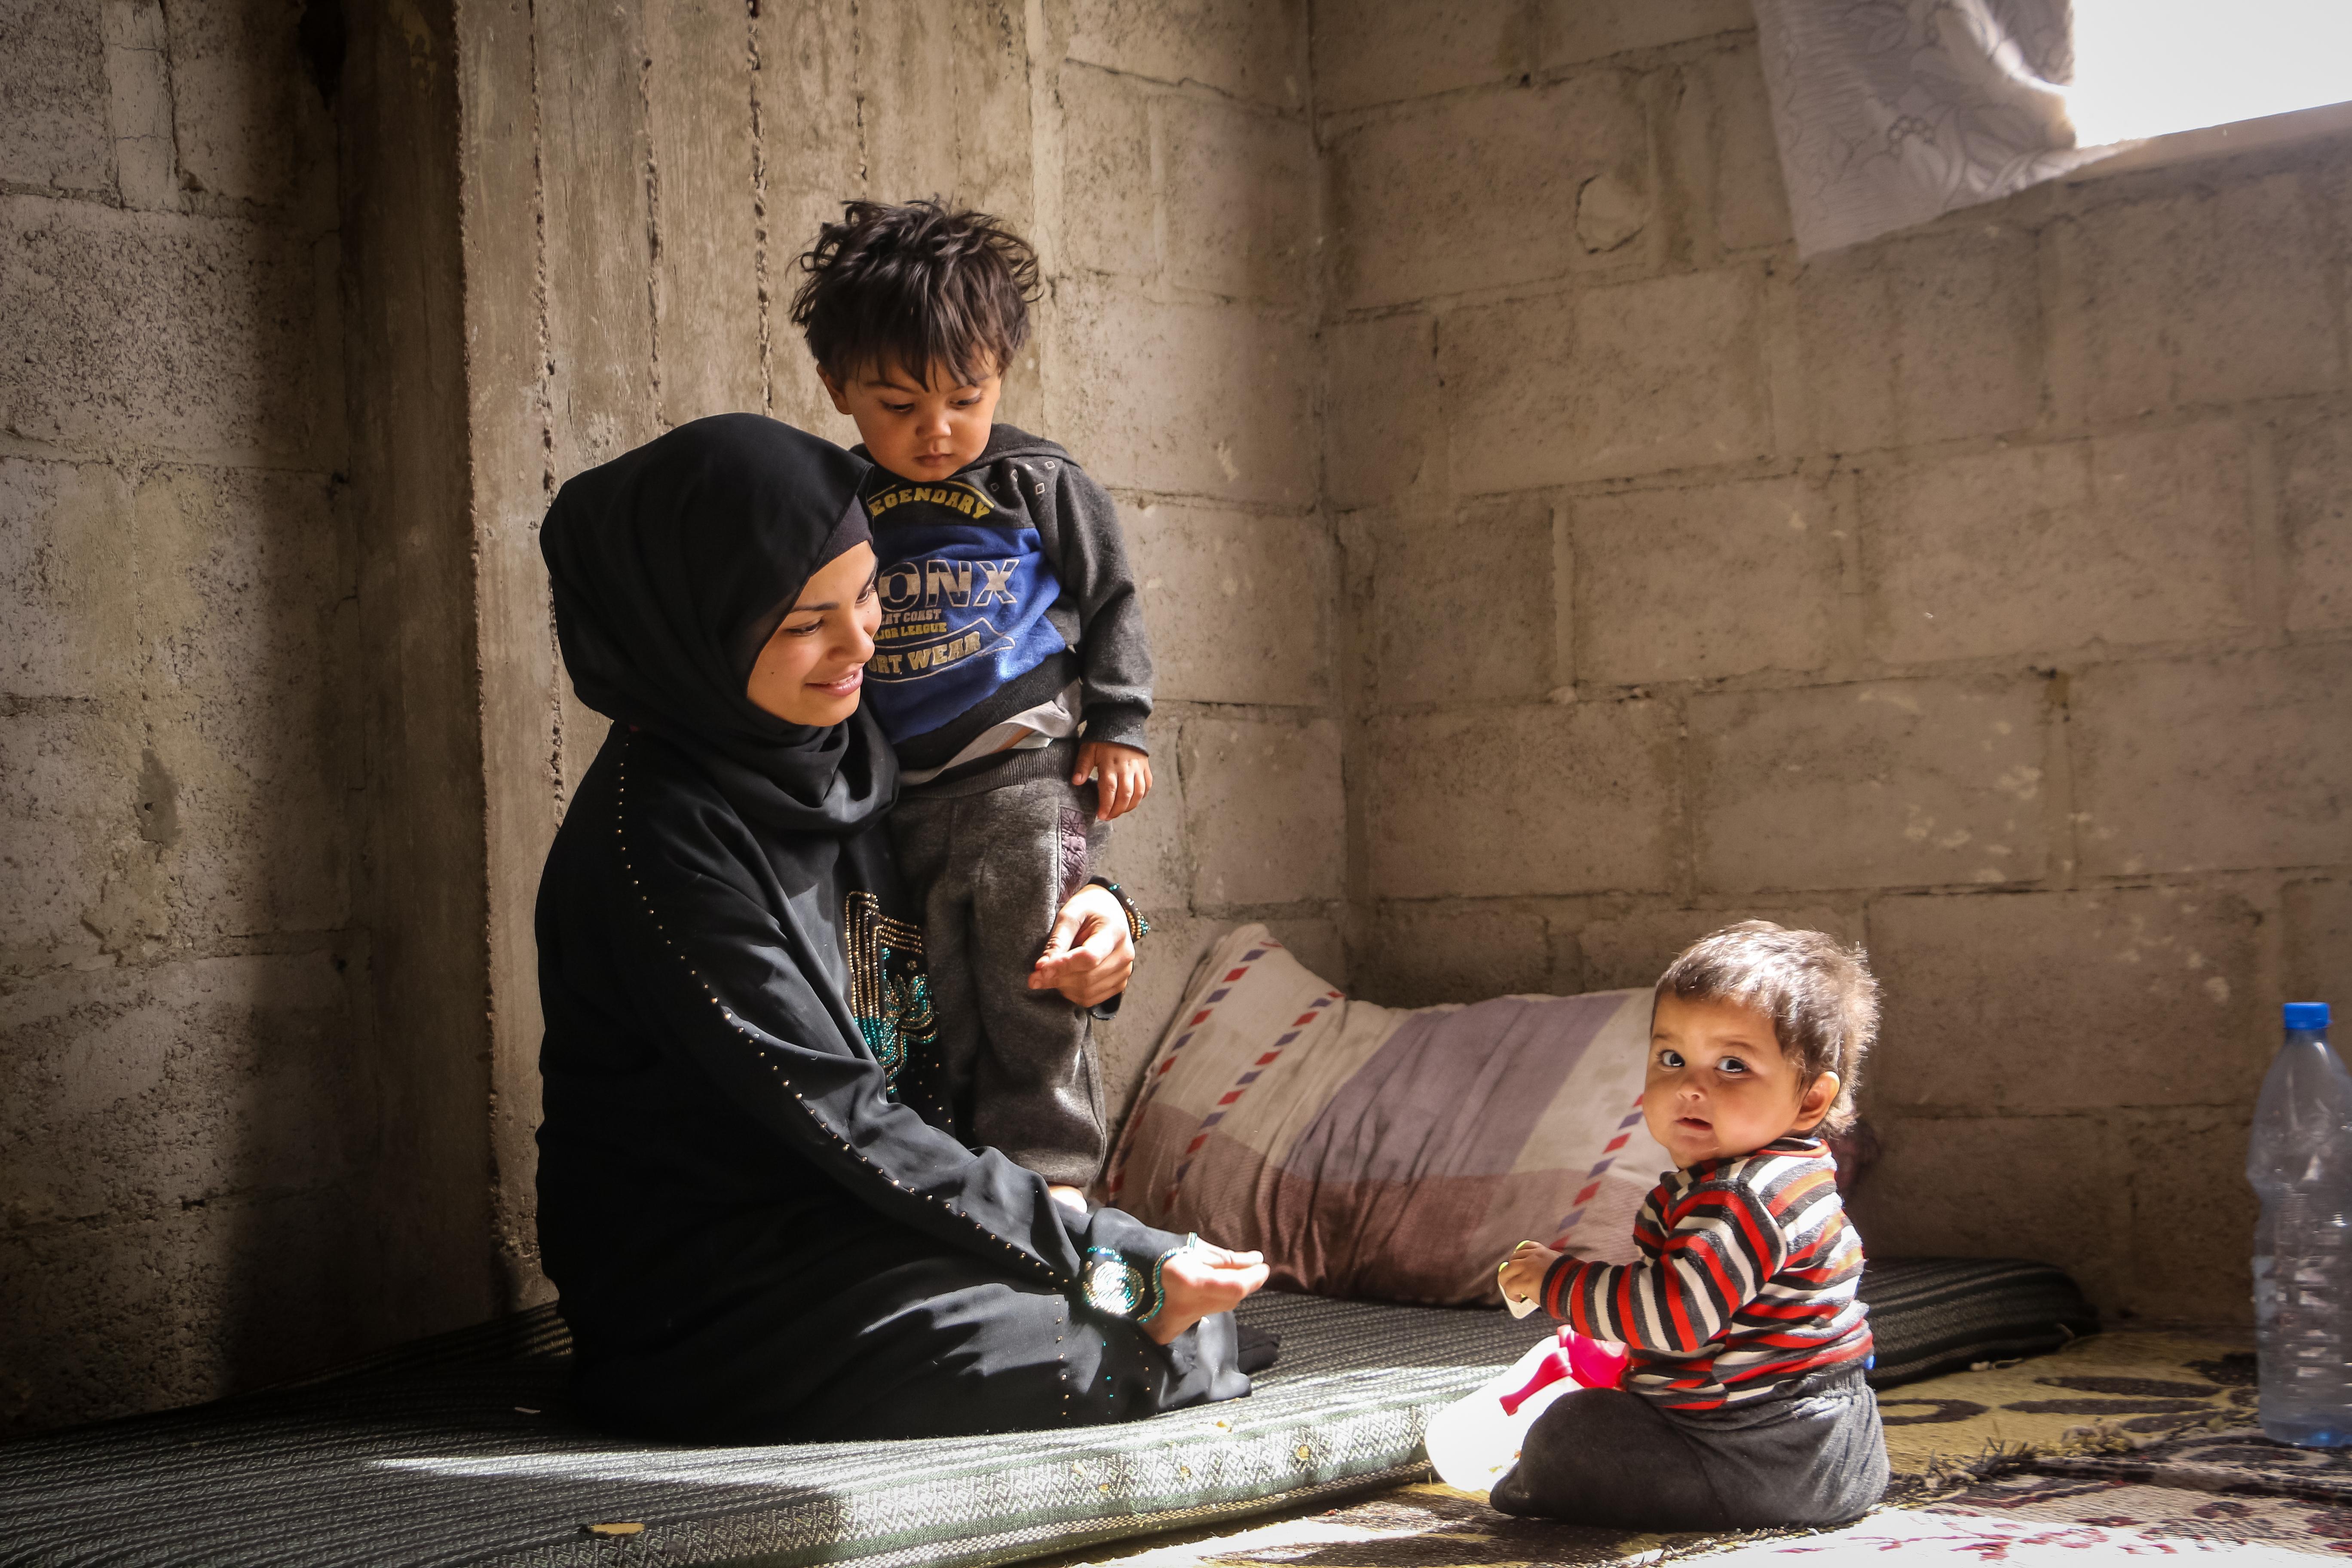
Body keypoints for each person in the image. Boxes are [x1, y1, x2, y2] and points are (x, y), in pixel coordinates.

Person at [532, 411, 1268, 1442]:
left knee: (1169, 1292)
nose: (861, 643)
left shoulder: (851, 743)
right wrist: (1113, 1260)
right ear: (690, 633)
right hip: (724, 1277)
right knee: (1099, 1338)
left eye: (869, 589)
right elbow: (834, 1113)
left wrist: (1101, 908)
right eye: (804, 624)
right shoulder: (661, 839)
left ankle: (1139, 1310)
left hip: (877, 1213)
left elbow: (996, 853)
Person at [789, 199, 1152, 1210]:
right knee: (933, 1001)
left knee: (1033, 989)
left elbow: (1112, 597)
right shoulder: (836, 500)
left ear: (1002, 370)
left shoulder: (1036, 480)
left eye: (965, 395)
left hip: (1023, 779)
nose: (936, 430)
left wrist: (1120, 723)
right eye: (899, 405)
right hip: (899, 801)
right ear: (837, 388)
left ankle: (1058, 1184)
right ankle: (963, 1193)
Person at [1491, 922, 1889, 1530]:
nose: (1691, 1087)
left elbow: (1676, 1320)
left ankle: (1532, 1486)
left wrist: (1558, 1282)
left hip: (1756, 1456)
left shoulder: (1737, 1196)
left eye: (1732, 1065)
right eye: (1671, 1059)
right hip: (1838, 1443)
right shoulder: (1795, 1172)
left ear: (1810, 1100)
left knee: (1571, 1431)